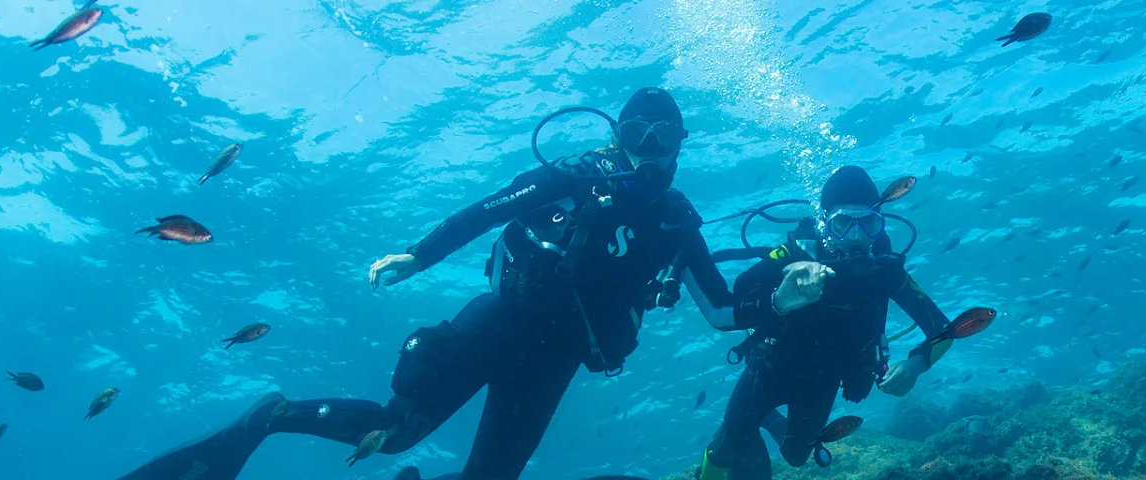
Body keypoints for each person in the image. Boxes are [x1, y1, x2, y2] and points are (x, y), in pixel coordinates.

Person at [119, 87, 736, 480]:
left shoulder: (676, 220)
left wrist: (784, 298)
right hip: (498, 322)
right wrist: (420, 255)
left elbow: (724, 312)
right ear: (617, 137)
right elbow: (489, 208)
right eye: (639, 134)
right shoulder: (575, 176)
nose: (652, 149)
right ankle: (269, 418)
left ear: (683, 145)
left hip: (556, 361)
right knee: (394, 432)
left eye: (667, 137)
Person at [691, 166, 957, 480]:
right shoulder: (794, 253)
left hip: (824, 379)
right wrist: (781, 292)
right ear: (825, 223)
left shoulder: (885, 271)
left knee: (796, 456)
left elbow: (946, 329)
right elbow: (741, 291)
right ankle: (748, 427)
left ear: (879, 225)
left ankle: (766, 419)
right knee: (726, 446)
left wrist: (916, 364)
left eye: (868, 224)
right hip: (770, 367)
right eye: (843, 223)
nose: (856, 237)